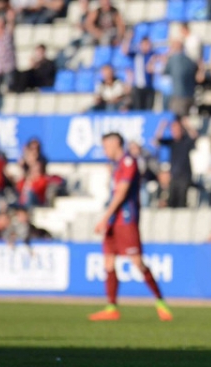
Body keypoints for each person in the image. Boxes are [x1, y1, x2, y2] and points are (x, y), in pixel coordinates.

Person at [88, 133, 172, 322]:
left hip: (126, 219)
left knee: (137, 262)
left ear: (116, 144)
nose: (105, 151)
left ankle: (160, 302)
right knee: (108, 262)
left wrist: (104, 217)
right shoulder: (117, 166)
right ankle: (111, 307)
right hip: (113, 221)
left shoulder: (128, 163)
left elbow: (121, 194)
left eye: (106, 146)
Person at [154, 117, 197, 208]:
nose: (175, 131)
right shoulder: (171, 142)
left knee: (181, 200)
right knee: (171, 200)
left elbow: (195, 136)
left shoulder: (185, 141)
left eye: (177, 128)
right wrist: (162, 126)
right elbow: (157, 140)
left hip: (184, 175)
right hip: (174, 176)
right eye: (173, 129)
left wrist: (187, 125)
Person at [163, 40, 196, 117]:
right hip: (190, 95)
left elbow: (165, 71)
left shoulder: (173, 59)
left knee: (178, 121)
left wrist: (167, 58)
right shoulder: (189, 60)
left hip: (178, 96)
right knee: (185, 119)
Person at [122, 35, 156, 111]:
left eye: (148, 44)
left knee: (148, 110)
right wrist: (128, 38)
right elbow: (125, 51)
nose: (147, 47)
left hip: (149, 87)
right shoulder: (137, 55)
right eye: (145, 44)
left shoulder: (152, 55)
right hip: (137, 87)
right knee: (138, 109)